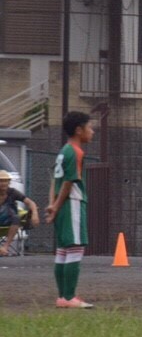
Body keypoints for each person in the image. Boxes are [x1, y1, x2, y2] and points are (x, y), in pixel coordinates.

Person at [46, 111, 94, 308]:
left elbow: (54, 180)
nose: (92, 132)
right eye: (90, 128)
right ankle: (69, 297)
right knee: (75, 247)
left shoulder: (63, 150)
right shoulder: (76, 152)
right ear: (78, 130)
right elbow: (68, 182)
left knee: (63, 250)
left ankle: (62, 296)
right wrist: (56, 207)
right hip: (72, 203)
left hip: (61, 205)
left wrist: (52, 204)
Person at [0, 169, 39, 257]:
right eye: (1, 181)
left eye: (5, 181)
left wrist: (35, 214)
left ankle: (5, 247)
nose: (3, 183)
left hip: (8, 220)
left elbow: (30, 202)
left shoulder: (13, 192)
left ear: (9, 182)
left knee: (16, 217)